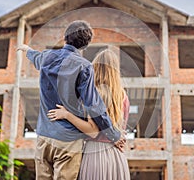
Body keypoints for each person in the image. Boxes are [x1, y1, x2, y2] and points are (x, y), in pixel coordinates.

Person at [17, 20, 124, 180]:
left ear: (65, 37)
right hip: (68, 141)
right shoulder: (84, 67)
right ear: (85, 45)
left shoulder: (47, 57)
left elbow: (36, 57)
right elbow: (94, 106)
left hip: (44, 138)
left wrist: (27, 50)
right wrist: (114, 135)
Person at [47, 49, 131, 180]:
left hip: (95, 156)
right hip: (118, 157)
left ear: (96, 68)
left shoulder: (95, 94)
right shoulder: (123, 96)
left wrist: (67, 114)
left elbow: (93, 131)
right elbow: (121, 130)